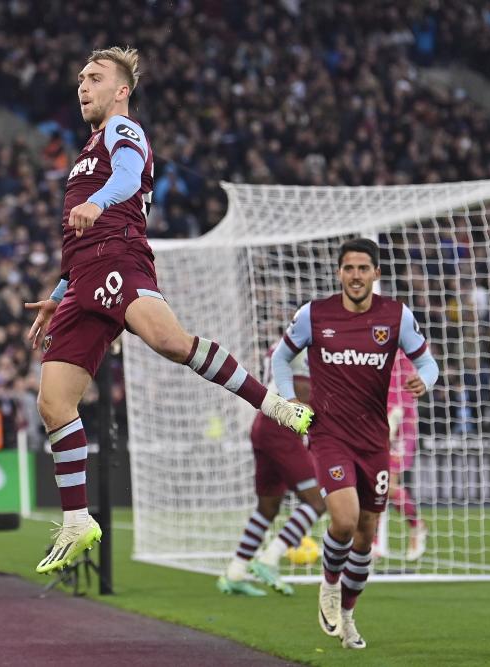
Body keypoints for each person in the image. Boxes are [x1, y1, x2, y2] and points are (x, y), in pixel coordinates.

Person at [24, 46, 313, 575]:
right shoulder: (89, 145)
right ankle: (76, 520)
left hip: (119, 256)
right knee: (53, 403)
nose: (83, 86)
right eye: (80, 78)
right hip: (84, 278)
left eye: (95, 77)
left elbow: (128, 179)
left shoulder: (122, 131)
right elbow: (78, 237)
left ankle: (272, 403)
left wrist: (99, 202)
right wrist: (61, 291)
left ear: (121, 90)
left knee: (170, 343)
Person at [270, 238, 439, 650]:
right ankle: (328, 585)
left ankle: (347, 614)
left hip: (373, 441)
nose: (356, 276)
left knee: (365, 534)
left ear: (376, 274)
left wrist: (426, 380)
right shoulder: (315, 314)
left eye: (364, 268)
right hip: (329, 435)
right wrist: (290, 400)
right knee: (343, 520)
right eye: (349, 268)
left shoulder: (396, 316)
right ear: (339, 272)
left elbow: (428, 362)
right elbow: (279, 358)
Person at [217, 348, 327, 597]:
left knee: (268, 507)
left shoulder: (287, 347)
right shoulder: (306, 343)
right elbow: (306, 391)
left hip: (266, 424)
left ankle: (234, 573)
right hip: (281, 430)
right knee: (317, 502)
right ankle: (270, 558)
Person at [375, 351, 427, 561]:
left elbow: (403, 390)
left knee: (386, 484)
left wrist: (394, 418)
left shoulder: (401, 348)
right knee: (375, 484)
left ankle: (417, 526)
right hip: (381, 418)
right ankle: (374, 543)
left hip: (400, 422)